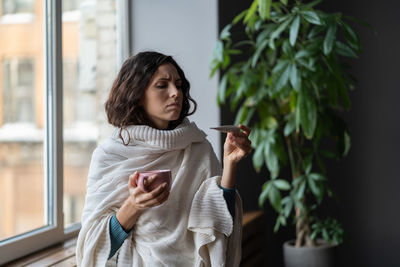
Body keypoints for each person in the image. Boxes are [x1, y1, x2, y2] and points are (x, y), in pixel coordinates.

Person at [76, 51, 251, 267]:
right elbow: (94, 247)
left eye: (178, 85)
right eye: (162, 85)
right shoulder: (110, 155)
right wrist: (134, 205)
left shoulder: (197, 147)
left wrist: (230, 165)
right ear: (137, 94)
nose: (175, 93)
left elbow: (217, 226)